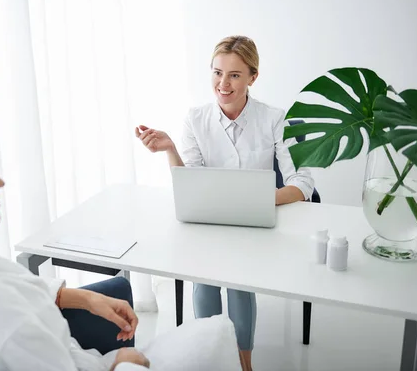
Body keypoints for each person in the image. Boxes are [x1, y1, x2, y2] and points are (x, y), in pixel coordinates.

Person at [0, 115, 242, 371]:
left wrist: (86, 299)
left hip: (86, 358)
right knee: (217, 331)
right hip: (93, 363)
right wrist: (120, 363)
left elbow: (15, 288)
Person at [135, 35, 315, 371]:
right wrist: (171, 149)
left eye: (234, 75)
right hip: (210, 222)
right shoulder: (195, 119)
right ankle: (209, 357)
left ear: (253, 77)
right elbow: (190, 186)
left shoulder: (274, 118)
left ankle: (243, 363)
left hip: (255, 224)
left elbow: (302, 182)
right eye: (217, 72)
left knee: (237, 278)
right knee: (204, 275)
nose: (223, 83)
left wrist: (259, 201)